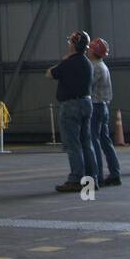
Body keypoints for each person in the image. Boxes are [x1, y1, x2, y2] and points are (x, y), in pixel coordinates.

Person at [47, 30, 98, 193]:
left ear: (74, 44)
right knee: (86, 143)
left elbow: (49, 73)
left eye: (70, 42)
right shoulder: (87, 63)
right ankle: (91, 179)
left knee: (73, 145)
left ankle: (76, 179)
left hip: (70, 106)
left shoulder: (69, 62)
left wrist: (63, 61)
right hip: (86, 103)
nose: (68, 44)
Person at [89, 37, 121, 187]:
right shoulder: (103, 65)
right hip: (104, 106)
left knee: (94, 140)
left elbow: (88, 85)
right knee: (105, 140)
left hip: (95, 106)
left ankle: (98, 175)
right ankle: (115, 173)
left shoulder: (95, 67)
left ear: (93, 51)